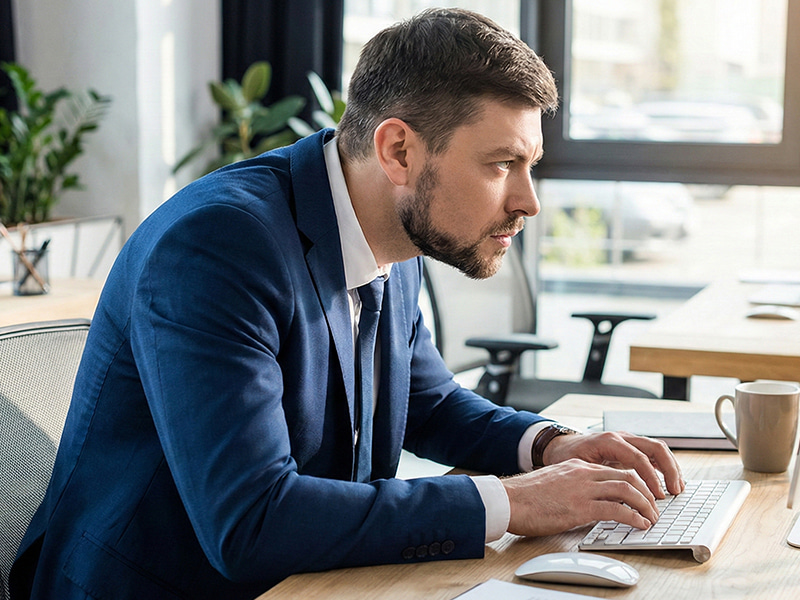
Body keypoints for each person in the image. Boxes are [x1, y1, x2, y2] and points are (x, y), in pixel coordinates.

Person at [10, 8, 684, 599]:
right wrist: (509, 501)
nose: (527, 201)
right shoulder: (218, 247)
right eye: (501, 163)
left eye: (528, 165)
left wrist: (551, 444)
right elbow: (251, 520)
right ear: (398, 149)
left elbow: (429, 403)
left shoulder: (396, 233)